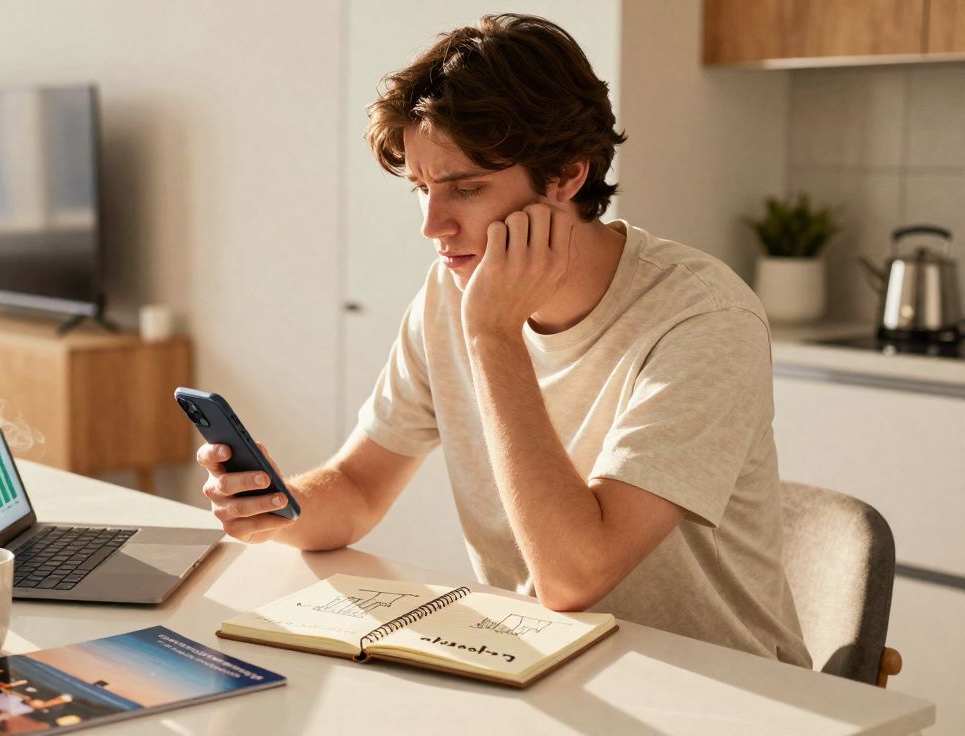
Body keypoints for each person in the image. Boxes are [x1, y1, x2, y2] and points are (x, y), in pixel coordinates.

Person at [195, 13, 810, 667]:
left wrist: (492, 336)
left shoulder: (703, 318)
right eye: (422, 190)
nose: (433, 225)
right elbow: (358, 487)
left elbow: (574, 577)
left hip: (720, 688)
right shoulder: (447, 294)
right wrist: (277, 505)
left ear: (567, 175)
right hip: (547, 666)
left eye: (466, 188)